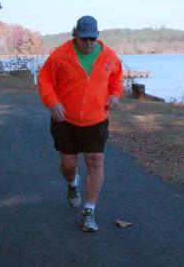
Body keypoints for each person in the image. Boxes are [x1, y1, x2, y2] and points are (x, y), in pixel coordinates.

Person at [38, 15, 123, 232]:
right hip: (65, 119)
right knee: (69, 166)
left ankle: (89, 212)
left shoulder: (108, 55)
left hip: (96, 120)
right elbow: (45, 79)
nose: (88, 43)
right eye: (83, 38)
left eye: (92, 38)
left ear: (97, 36)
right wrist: (52, 101)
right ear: (75, 34)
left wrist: (115, 94)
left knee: (95, 161)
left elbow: (117, 79)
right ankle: (73, 185)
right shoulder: (60, 55)